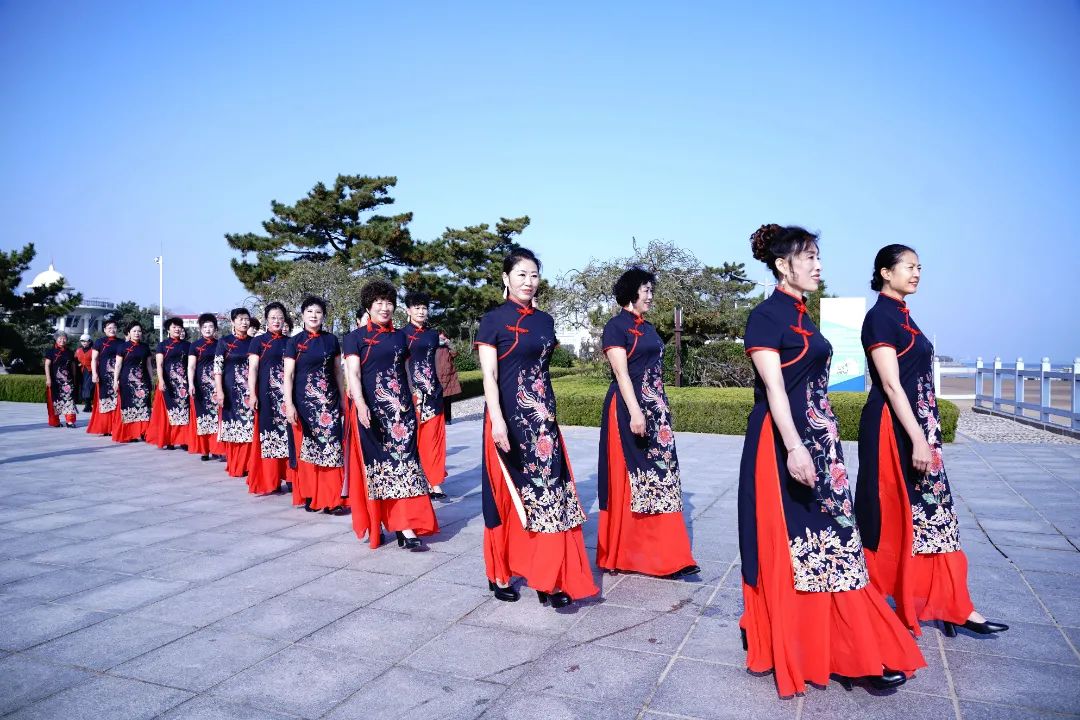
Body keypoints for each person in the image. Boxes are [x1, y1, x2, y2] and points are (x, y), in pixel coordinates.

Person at [738, 224, 925, 696]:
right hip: (784, 446)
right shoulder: (765, 317)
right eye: (809, 257)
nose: (819, 265)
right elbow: (774, 391)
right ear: (783, 265)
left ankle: (848, 647)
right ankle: (816, 648)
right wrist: (795, 446)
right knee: (800, 546)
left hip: (823, 449)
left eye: (819, 256)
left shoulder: (804, 316)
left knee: (838, 543)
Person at [856, 245, 1008, 639]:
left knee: (937, 515)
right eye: (909, 266)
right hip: (895, 429)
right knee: (892, 514)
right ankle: (875, 599)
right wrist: (917, 440)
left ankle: (955, 605)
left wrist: (927, 437)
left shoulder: (905, 316)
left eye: (920, 267)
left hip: (920, 429)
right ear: (886, 273)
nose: (917, 273)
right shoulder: (879, 318)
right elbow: (890, 384)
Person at [476, 247, 597, 608]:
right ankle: (498, 572)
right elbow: (489, 375)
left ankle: (549, 579)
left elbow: (542, 374)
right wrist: (497, 419)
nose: (529, 282)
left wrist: (549, 418)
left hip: (543, 424)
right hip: (506, 420)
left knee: (548, 495)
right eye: (521, 275)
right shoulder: (493, 320)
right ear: (506, 278)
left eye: (534, 275)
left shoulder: (545, 321)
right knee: (506, 497)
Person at [596, 268, 699, 579]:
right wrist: (636, 412)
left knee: (663, 476)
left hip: (657, 411)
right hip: (629, 409)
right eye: (646, 291)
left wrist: (659, 411)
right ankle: (627, 554)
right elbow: (622, 374)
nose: (651, 296)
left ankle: (668, 555)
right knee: (631, 478)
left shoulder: (650, 328)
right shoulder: (615, 327)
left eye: (652, 290)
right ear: (631, 292)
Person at [344, 280, 439, 549]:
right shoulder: (354, 338)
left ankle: (405, 525)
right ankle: (385, 521)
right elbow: (353, 374)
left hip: (403, 413)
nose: (385, 308)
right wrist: (361, 405)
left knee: (405, 465)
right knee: (380, 469)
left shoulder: (400, 337)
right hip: (371, 413)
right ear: (368, 306)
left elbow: (405, 372)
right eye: (379, 303)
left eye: (388, 303)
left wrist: (414, 399)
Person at [284, 297, 348, 514]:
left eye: (318, 312)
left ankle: (333, 499)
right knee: (309, 451)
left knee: (331, 449)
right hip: (304, 404)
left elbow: (338, 372)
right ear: (302, 315)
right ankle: (311, 494)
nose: (314, 315)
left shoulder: (331, 340)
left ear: (324, 316)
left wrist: (342, 399)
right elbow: (288, 375)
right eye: (309, 311)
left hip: (328, 404)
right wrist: (289, 404)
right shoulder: (294, 342)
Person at [247, 302, 295, 497]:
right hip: (267, 396)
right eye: (273, 317)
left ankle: (291, 476)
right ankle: (271, 479)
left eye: (280, 317)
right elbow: (253, 369)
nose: (277, 321)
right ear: (266, 319)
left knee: (289, 434)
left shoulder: (291, 342)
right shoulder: (258, 342)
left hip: (288, 396)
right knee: (269, 436)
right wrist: (252, 393)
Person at [404, 291, 448, 499]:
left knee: (434, 439)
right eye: (417, 308)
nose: (421, 311)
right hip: (412, 394)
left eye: (424, 308)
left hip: (432, 392)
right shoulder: (401, 334)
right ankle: (418, 478)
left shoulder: (432, 335)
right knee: (415, 438)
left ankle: (435, 482)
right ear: (408, 310)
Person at [215, 308, 255, 476]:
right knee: (234, 428)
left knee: (250, 427)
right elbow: (218, 368)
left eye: (246, 319)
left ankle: (248, 465)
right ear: (232, 322)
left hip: (250, 391)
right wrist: (219, 391)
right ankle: (236, 465)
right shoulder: (224, 342)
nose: (244, 322)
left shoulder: (255, 342)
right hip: (231, 391)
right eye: (240, 319)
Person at [146, 318, 191, 449]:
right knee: (168, 413)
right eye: (174, 327)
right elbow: (159, 364)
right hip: (168, 383)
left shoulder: (187, 345)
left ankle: (184, 440)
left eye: (179, 327)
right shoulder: (163, 345)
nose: (177, 329)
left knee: (184, 411)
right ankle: (169, 440)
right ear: (168, 329)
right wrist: (161, 380)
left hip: (183, 384)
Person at [187, 313, 224, 461]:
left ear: (215, 328)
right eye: (205, 327)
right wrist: (190, 384)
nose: (208, 329)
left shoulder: (220, 344)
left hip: (217, 386)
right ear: (200, 329)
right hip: (201, 386)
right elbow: (191, 367)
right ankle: (204, 450)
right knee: (203, 418)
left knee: (217, 417)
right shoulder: (195, 345)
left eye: (211, 327)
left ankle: (217, 449)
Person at [111, 321, 153, 442]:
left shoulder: (145, 347)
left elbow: (149, 365)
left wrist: (152, 379)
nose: (137, 333)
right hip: (127, 382)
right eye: (134, 331)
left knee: (144, 405)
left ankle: (144, 432)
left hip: (143, 381)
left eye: (139, 331)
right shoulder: (122, 347)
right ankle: (131, 433)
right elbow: (118, 365)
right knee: (129, 406)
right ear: (129, 333)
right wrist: (115, 381)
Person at [87, 317, 123, 435]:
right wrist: (94, 373)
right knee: (104, 401)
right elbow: (93, 359)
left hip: (118, 376)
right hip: (103, 376)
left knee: (117, 401)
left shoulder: (121, 342)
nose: (112, 330)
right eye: (109, 328)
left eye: (114, 328)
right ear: (105, 329)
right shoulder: (99, 342)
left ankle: (115, 427)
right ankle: (104, 428)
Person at [44, 331, 77, 427]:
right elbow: (47, 365)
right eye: (60, 338)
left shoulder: (70, 352)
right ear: (56, 339)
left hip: (67, 381)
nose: (62, 340)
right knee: (55, 401)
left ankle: (70, 421)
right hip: (54, 381)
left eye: (64, 338)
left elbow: (73, 366)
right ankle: (55, 422)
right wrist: (48, 379)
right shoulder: (50, 352)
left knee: (69, 400)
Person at [435, 331, 462, 424]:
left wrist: (449, 344)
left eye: (443, 338)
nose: (441, 341)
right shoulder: (434, 347)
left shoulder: (448, 348)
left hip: (448, 377)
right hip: (437, 376)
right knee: (437, 400)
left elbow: (456, 353)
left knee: (447, 400)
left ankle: (447, 419)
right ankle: (439, 419)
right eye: (440, 338)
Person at [75, 333, 94, 412]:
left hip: (91, 371)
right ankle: (88, 404)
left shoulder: (93, 350)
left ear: (89, 341)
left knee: (88, 387)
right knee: (83, 387)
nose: (84, 343)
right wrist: (77, 364)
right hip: (82, 370)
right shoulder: (78, 350)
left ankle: (88, 405)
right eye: (82, 341)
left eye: (86, 341)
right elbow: (75, 359)